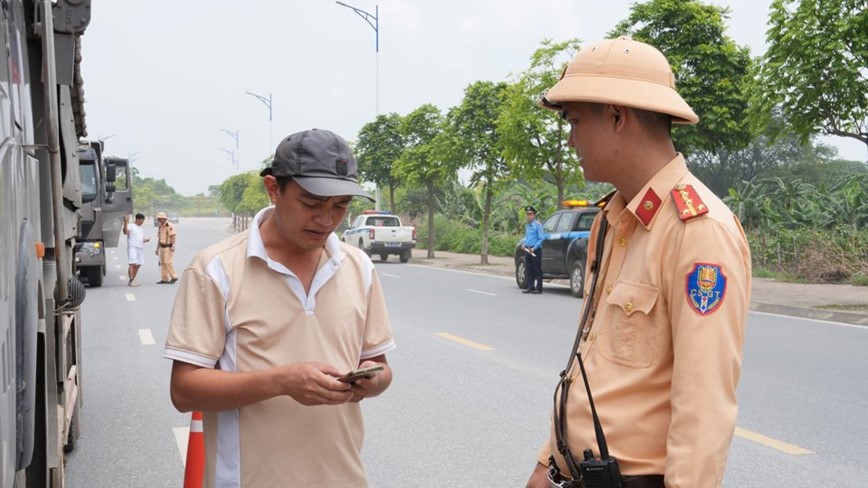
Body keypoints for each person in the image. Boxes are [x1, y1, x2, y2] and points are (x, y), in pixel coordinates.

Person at [525, 37, 751, 488]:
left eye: (573, 122)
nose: (569, 140)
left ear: (616, 116)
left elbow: (703, 407)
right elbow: (590, 363)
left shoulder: (698, 231)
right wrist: (548, 461)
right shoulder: (610, 221)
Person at [163, 128, 396, 487]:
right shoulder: (216, 269)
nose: (326, 220)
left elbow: (380, 367)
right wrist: (283, 381)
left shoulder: (358, 267)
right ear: (273, 189)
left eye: (340, 206)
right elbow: (184, 390)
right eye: (311, 204)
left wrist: (372, 380)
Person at [522, 205, 545, 294]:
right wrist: (524, 244)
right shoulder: (527, 226)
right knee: (529, 269)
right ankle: (530, 287)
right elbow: (527, 237)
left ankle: (539, 288)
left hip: (535, 250)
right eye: (527, 214)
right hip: (528, 250)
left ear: (534, 215)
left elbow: (541, 238)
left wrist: (534, 247)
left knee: (537, 269)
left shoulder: (538, 225)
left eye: (530, 214)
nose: (529, 216)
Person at [122, 213, 149, 287]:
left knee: (138, 264)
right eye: (141, 221)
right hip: (132, 247)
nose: (142, 222)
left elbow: (141, 239)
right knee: (132, 263)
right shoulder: (131, 226)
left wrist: (146, 240)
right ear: (137, 219)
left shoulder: (141, 228)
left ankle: (133, 279)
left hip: (140, 247)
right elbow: (125, 232)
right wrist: (125, 222)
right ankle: (131, 280)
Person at [155, 211, 179, 284]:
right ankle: (164, 278)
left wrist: (173, 246)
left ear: (164, 218)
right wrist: (157, 248)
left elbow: (173, 236)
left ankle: (174, 276)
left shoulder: (169, 226)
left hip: (168, 246)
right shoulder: (160, 226)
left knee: (168, 262)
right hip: (162, 246)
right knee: (162, 263)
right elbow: (159, 238)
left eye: (161, 219)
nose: (159, 220)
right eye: (158, 219)